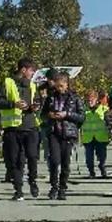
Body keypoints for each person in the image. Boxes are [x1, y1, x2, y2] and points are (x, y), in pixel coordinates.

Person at [0, 58, 42, 201]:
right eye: (31, 70)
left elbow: (38, 100)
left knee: (33, 156)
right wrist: (13, 104)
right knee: (16, 160)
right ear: (23, 70)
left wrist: (36, 106)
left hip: (30, 126)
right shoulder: (7, 82)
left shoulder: (33, 85)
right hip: (13, 129)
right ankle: (18, 190)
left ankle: (33, 181)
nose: (33, 73)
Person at [40, 70, 84, 201]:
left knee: (65, 163)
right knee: (54, 161)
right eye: (56, 86)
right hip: (54, 132)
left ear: (66, 85)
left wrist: (67, 115)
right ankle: (54, 186)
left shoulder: (75, 98)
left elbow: (81, 117)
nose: (58, 89)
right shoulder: (51, 97)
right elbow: (43, 115)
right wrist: (49, 115)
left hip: (68, 133)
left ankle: (63, 188)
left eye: (61, 86)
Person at [80, 87, 111, 179]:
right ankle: (91, 172)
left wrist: (110, 131)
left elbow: (109, 122)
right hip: (88, 137)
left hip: (101, 137)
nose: (90, 101)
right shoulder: (83, 110)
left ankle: (102, 169)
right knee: (89, 158)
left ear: (96, 99)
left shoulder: (104, 109)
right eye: (88, 100)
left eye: (92, 99)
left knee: (102, 157)